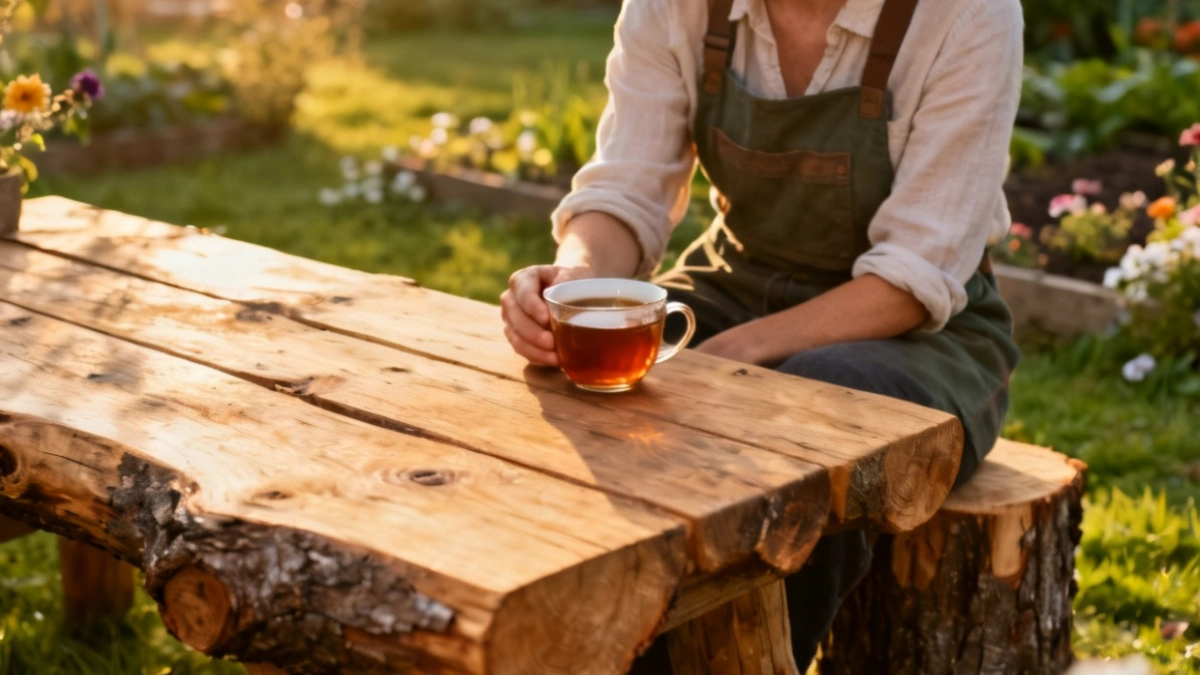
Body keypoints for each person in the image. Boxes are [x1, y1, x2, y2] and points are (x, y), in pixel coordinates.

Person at [500, 0, 1024, 669]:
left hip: (918, 330)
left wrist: (735, 354)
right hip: (736, 282)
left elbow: (915, 273)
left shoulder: (968, 15)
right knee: (584, 381)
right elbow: (627, 187)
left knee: (818, 414)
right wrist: (573, 288)